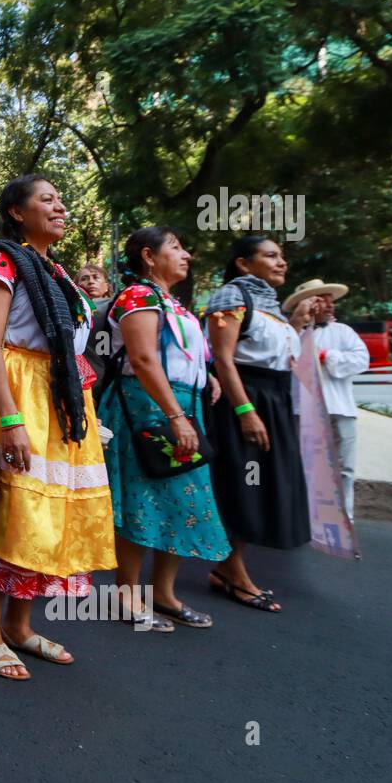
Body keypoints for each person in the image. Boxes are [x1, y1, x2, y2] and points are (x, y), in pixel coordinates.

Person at [0, 174, 116, 680]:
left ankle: (20, 626)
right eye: (47, 199)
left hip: (60, 406)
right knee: (14, 511)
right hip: (21, 399)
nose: (60, 206)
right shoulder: (1, 261)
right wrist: (10, 418)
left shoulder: (55, 273)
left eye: (61, 199)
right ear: (17, 212)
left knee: (45, 515)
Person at [99, 227, 230, 632]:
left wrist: (203, 378)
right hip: (147, 408)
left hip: (180, 406)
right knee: (144, 498)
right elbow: (141, 358)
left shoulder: (173, 302)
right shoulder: (139, 296)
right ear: (148, 257)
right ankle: (124, 593)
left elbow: (182, 354)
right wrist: (174, 415)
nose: (186, 254)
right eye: (175, 247)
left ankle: (164, 593)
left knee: (181, 498)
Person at [206, 235, 321, 613]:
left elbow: (281, 357)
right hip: (246, 397)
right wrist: (245, 412)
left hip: (275, 399)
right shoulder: (230, 297)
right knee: (242, 482)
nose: (281, 262)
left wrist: (297, 323)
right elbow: (223, 360)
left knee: (263, 483)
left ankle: (229, 566)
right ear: (243, 263)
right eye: (271, 255)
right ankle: (231, 571)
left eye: (282, 256)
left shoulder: (271, 306)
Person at [283, 278, 369, 519]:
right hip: (303, 409)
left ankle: (343, 513)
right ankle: (305, 513)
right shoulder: (290, 333)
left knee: (345, 465)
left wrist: (327, 356)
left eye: (331, 302)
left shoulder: (344, 332)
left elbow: (362, 361)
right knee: (305, 462)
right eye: (322, 301)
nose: (330, 306)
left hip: (341, 408)